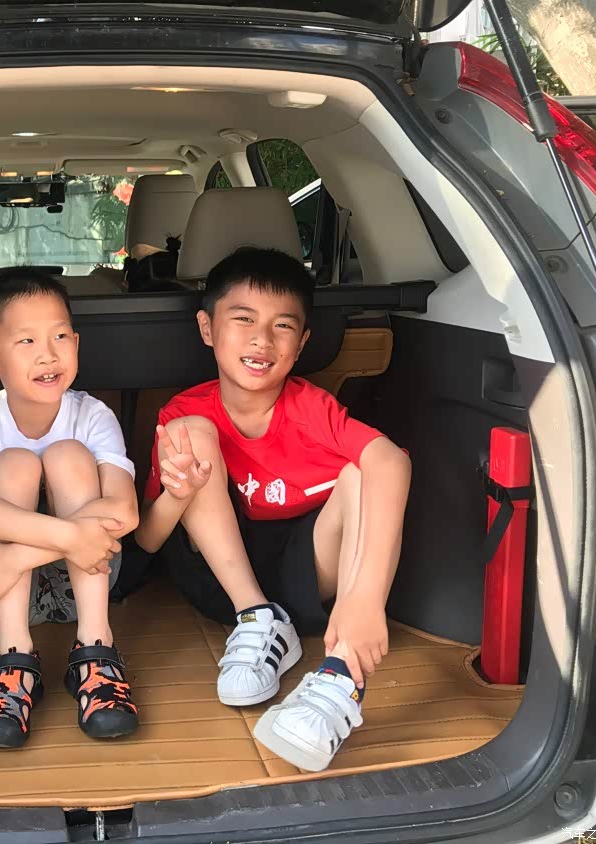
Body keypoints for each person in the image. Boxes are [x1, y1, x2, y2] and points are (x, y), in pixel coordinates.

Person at [135, 247, 411, 772]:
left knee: (362, 471)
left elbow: (392, 461)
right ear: (208, 328)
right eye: (243, 319)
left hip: (307, 574)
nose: (262, 339)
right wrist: (179, 492)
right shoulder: (183, 412)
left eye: (282, 325)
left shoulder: (312, 408)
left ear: (302, 342)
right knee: (190, 435)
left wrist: (364, 600)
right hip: (222, 582)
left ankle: (341, 677)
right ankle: (259, 618)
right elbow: (146, 541)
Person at [0, 268, 141, 748]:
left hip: (78, 574)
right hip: (2, 589)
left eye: (59, 336)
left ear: (76, 342)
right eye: (27, 340)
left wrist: (15, 555)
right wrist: (68, 536)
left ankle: (96, 649)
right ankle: (13, 658)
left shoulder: (92, 414)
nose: (48, 354)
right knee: (14, 464)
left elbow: (125, 511)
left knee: (68, 455)